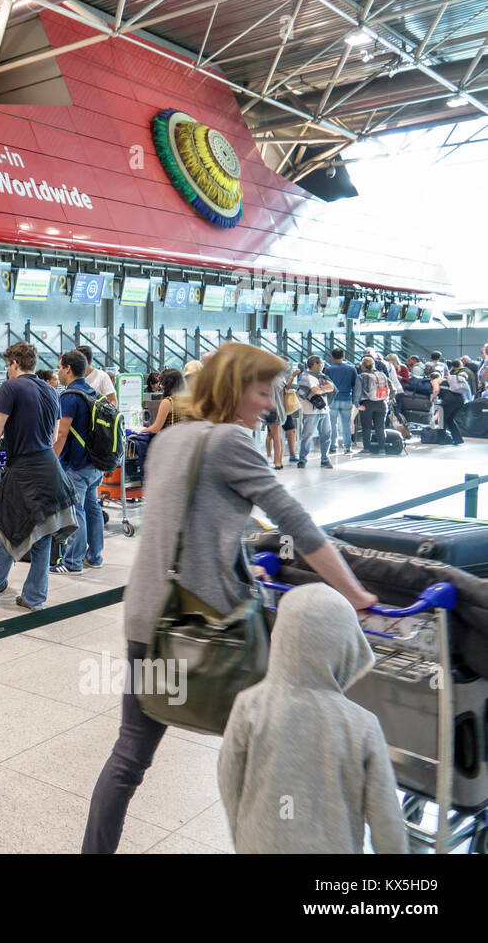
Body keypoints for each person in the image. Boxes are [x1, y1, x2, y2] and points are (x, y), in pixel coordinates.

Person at [81, 344, 377, 853]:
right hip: (213, 628)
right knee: (275, 742)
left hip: (149, 621)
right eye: (262, 392)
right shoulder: (231, 443)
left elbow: (188, 519)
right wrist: (354, 592)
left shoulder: (173, 438)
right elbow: (297, 522)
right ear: (233, 389)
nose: (270, 403)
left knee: (129, 756)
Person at [218, 583, 407, 854]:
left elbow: (228, 774)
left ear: (279, 637)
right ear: (346, 647)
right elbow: (386, 816)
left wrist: (239, 829)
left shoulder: (250, 704)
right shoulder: (362, 726)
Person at [0, 342, 76, 610]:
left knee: (5, 529)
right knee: (43, 532)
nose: (7, 370)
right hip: (49, 468)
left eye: (7, 365)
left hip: (24, 470)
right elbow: (54, 434)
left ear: (14, 363)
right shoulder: (50, 389)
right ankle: (34, 598)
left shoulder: (10, 388)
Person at [53, 349, 103, 575]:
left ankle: (73, 562)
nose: (58, 372)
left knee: (76, 511)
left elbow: (61, 434)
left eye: (59, 367)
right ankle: (94, 556)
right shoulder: (93, 392)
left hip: (77, 465)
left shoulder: (70, 396)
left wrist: (52, 460)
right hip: (95, 463)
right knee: (93, 509)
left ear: (68, 369)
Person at [296, 355, 334, 469]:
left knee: (326, 435)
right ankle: (302, 459)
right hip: (310, 411)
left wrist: (320, 390)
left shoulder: (322, 375)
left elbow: (331, 387)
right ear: (314, 364)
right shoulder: (305, 376)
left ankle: (325, 459)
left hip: (324, 410)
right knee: (307, 435)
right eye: (321, 363)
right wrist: (322, 389)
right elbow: (314, 390)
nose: (322, 365)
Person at [322, 347, 358, 455]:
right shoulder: (351, 368)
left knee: (332, 424)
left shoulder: (328, 369)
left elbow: (325, 384)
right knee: (346, 424)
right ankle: (347, 447)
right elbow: (355, 384)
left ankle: (333, 447)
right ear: (343, 356)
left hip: (332, 399)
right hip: (347, 398)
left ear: (332, 357)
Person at [355, 356, 389, 453]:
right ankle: (382, 449)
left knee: (366, 427)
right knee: (380, 427)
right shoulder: (381, 374)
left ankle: (366, 448)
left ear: (363, 366)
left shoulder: (361, 376)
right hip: (382, 403)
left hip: (367, 404)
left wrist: (357, 405)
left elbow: (357, 392)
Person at [141, 368, 184, 436]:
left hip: (169, 440)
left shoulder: (168, 402)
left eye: (162, 382)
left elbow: (155, 428)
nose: (160, 386)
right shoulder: (184, 400)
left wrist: (139, 431)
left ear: (168, 384)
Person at [441, 359, 471, 445]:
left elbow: (446, 375)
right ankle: (458, 439)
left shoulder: (452, 379)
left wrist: (449, 369)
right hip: (460, 401)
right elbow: (468, 396)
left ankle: (442, 439)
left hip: (449, 400)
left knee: (442, 419)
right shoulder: (464, 384)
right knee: (450, 419)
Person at [281, 358, 301, 464]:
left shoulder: (281, 375)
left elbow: (284, 388)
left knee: (291, 430)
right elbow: (283, 388)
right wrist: (293, 376)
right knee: (273, 433)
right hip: (276, 408)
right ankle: (272, 457)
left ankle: (292, 454)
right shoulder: (274, 376)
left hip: (283, 408)